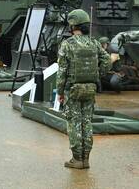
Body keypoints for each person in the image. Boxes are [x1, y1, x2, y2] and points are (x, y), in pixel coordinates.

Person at [56, 9, 111, 169]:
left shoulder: (67, 44)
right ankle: (86, 159)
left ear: (73, 25)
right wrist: (97, 75)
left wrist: (60, 92)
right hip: (90, 88)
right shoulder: (94, 43)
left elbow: (62, 71)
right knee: (87, 122)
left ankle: (77, 159)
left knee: (74, 123)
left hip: (72, 90)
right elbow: (107, 59)